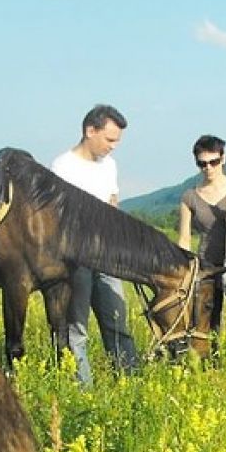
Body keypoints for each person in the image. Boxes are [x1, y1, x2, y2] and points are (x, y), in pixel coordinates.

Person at [51, 104, 139, 386]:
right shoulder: (62, 166)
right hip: (76, 259)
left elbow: (112, 205)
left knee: (117, 322)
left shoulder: (109, 165)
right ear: (90, 131)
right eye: (110, 139)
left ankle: (130, 384)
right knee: (77, 329)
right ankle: (83, 391)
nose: (113, 147)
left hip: (107, 257)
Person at [176, 134, 226, 368]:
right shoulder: (189, 197)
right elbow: (184, 238)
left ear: (224, 158)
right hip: (206, 269)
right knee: (208, 325)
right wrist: (184, 274)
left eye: (213, 162)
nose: (208, 168)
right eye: (202, 164)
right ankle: (212, 371)